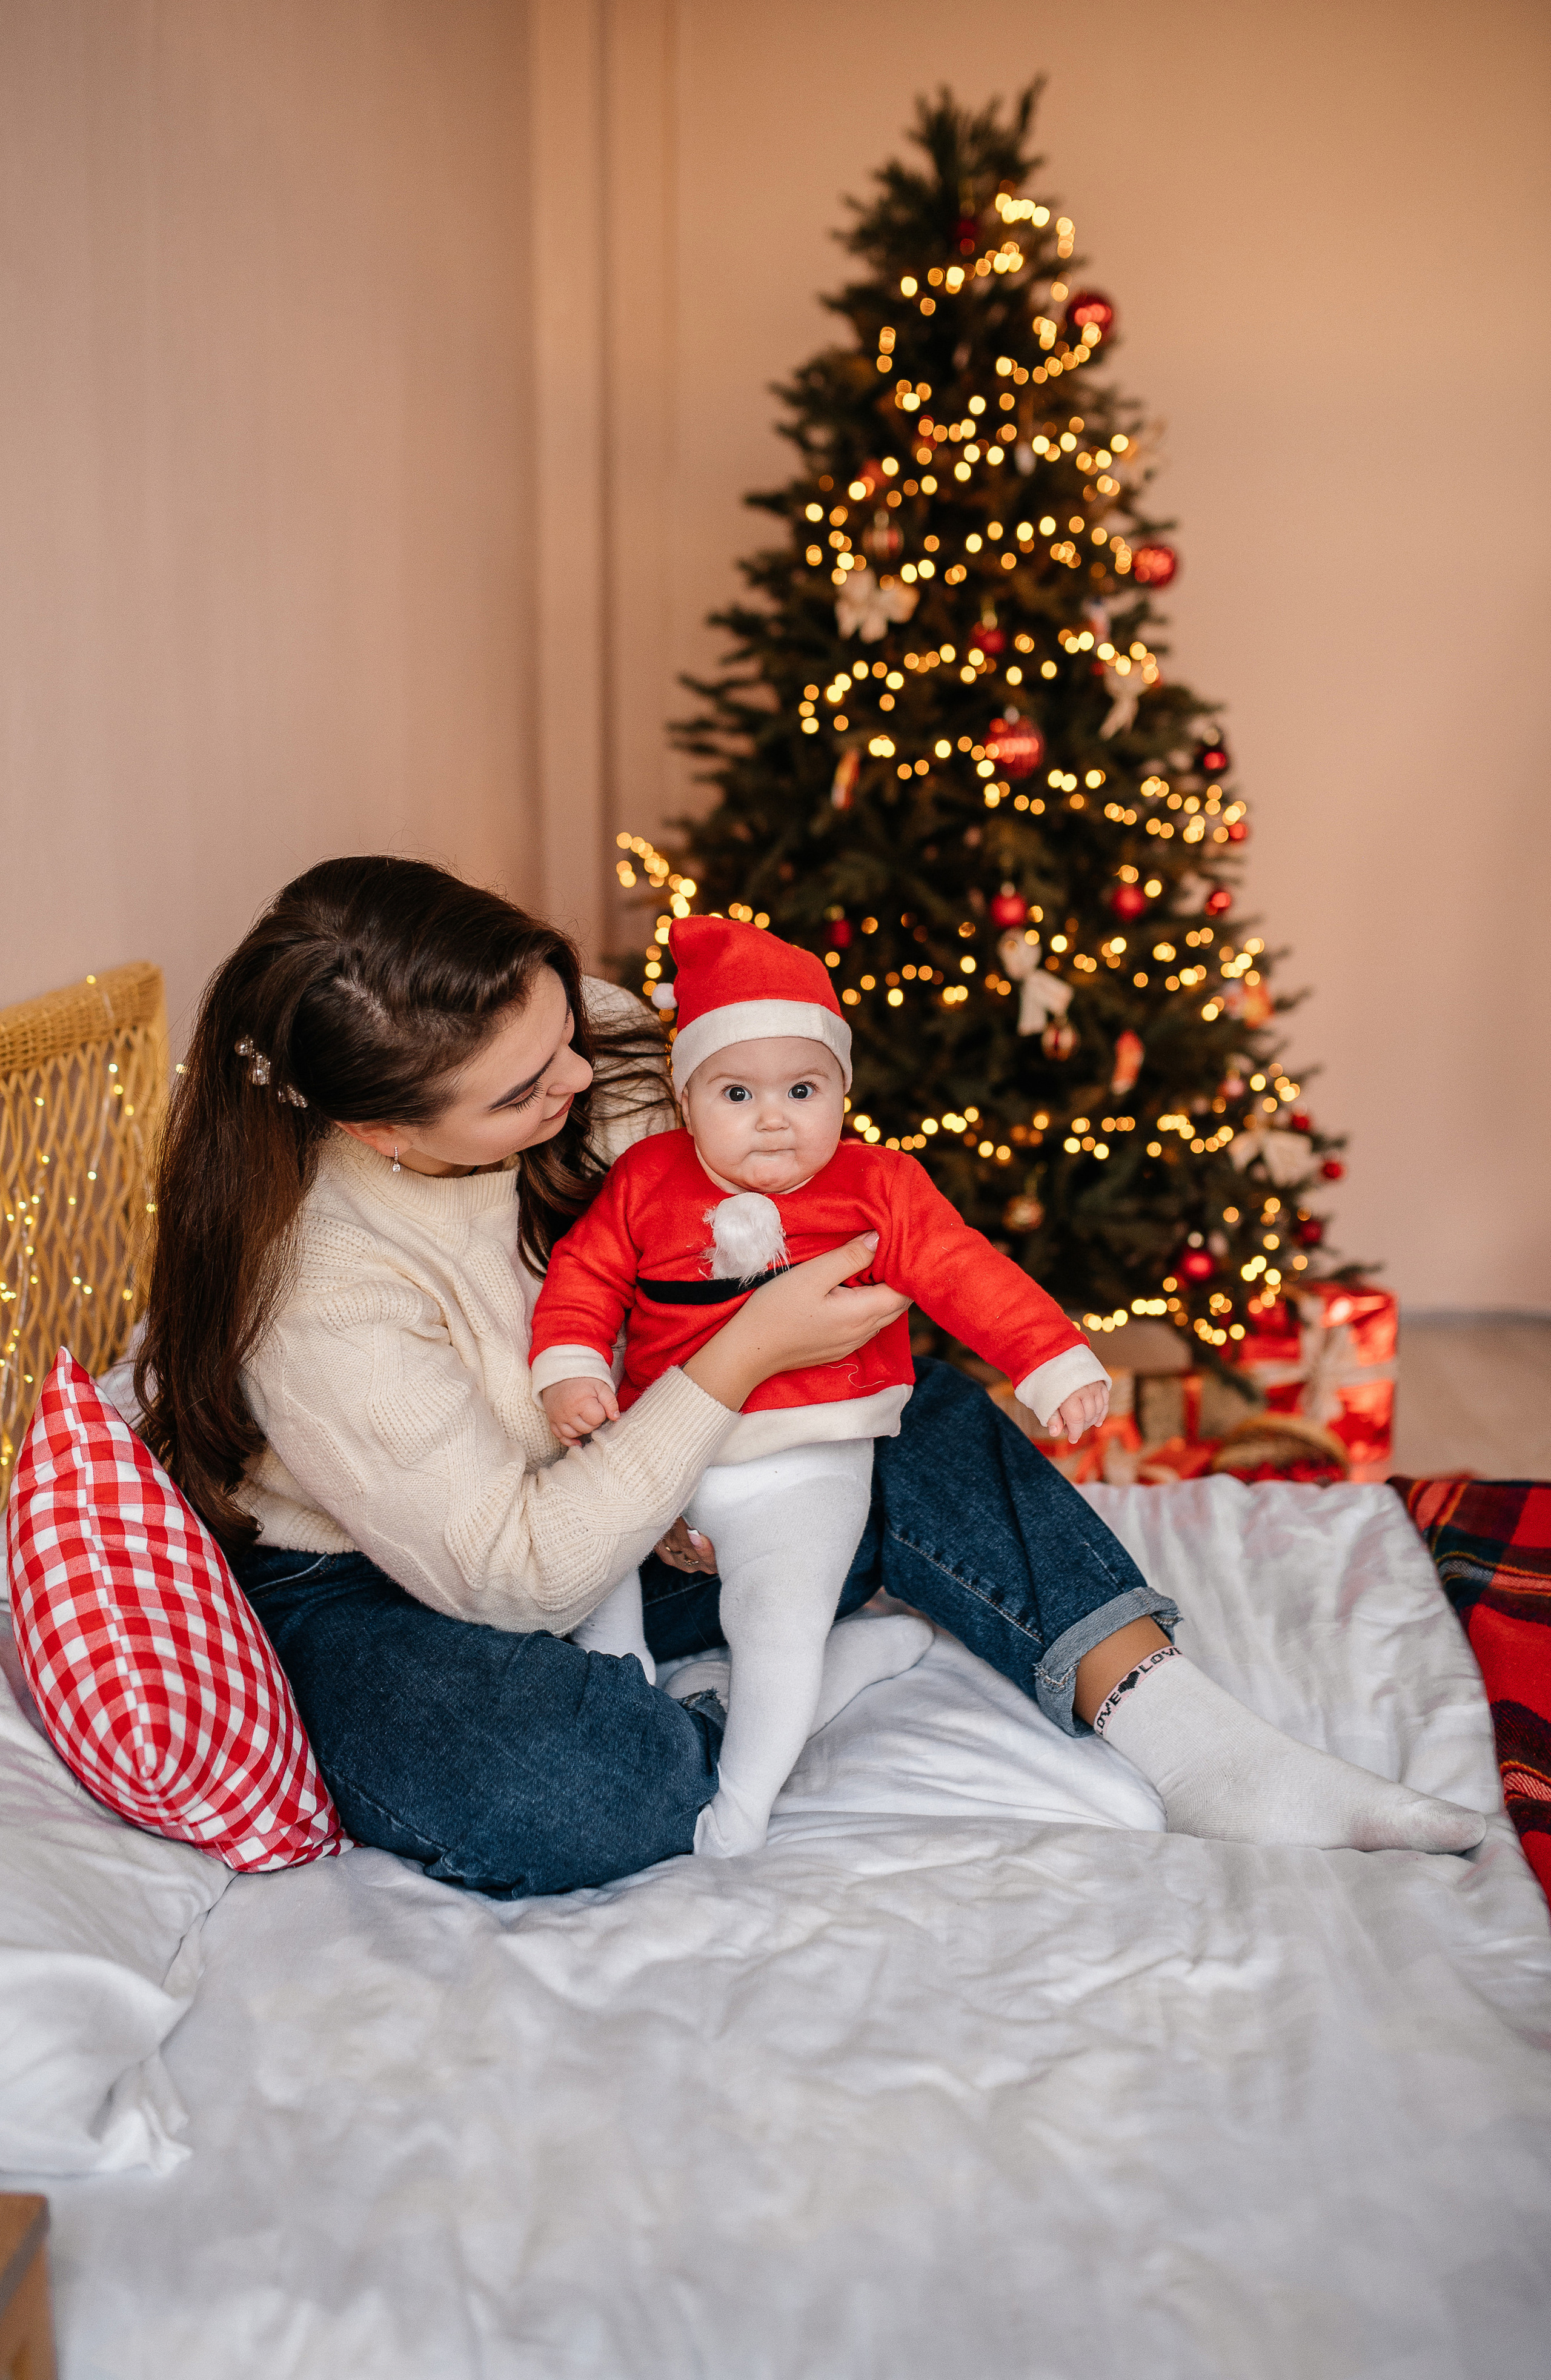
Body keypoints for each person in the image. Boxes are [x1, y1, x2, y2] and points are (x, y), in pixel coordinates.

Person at [136, 857, 1486, 1901]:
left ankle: (1195, 1741)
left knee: (895, 1396)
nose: (579, 1067)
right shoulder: (317, 1288)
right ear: (377, 1127)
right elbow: (510, 1572)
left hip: (632, 1478)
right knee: (571, 1796)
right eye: (522, 1088)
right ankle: (783, 1674)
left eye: (561, 1026)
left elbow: (782, 1194)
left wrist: (750, 1368)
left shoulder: (581, 1045)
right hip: (409, 1575)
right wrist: (733, 1363)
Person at [530, 913, 1115, 1855]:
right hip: (662, 1446)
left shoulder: (877, 1185)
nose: (773, 1117)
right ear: (687, 1102)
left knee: (776, 1623)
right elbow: (585, 1278)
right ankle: (624, 1667)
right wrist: (570, 1369)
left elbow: (968, 1272)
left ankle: (745, 1798)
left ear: (843, 1089)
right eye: (737, 1092)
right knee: (590, 1543)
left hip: (802, 1464)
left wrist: (1051, 1360)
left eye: (803, 1089)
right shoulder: (646, 1179)